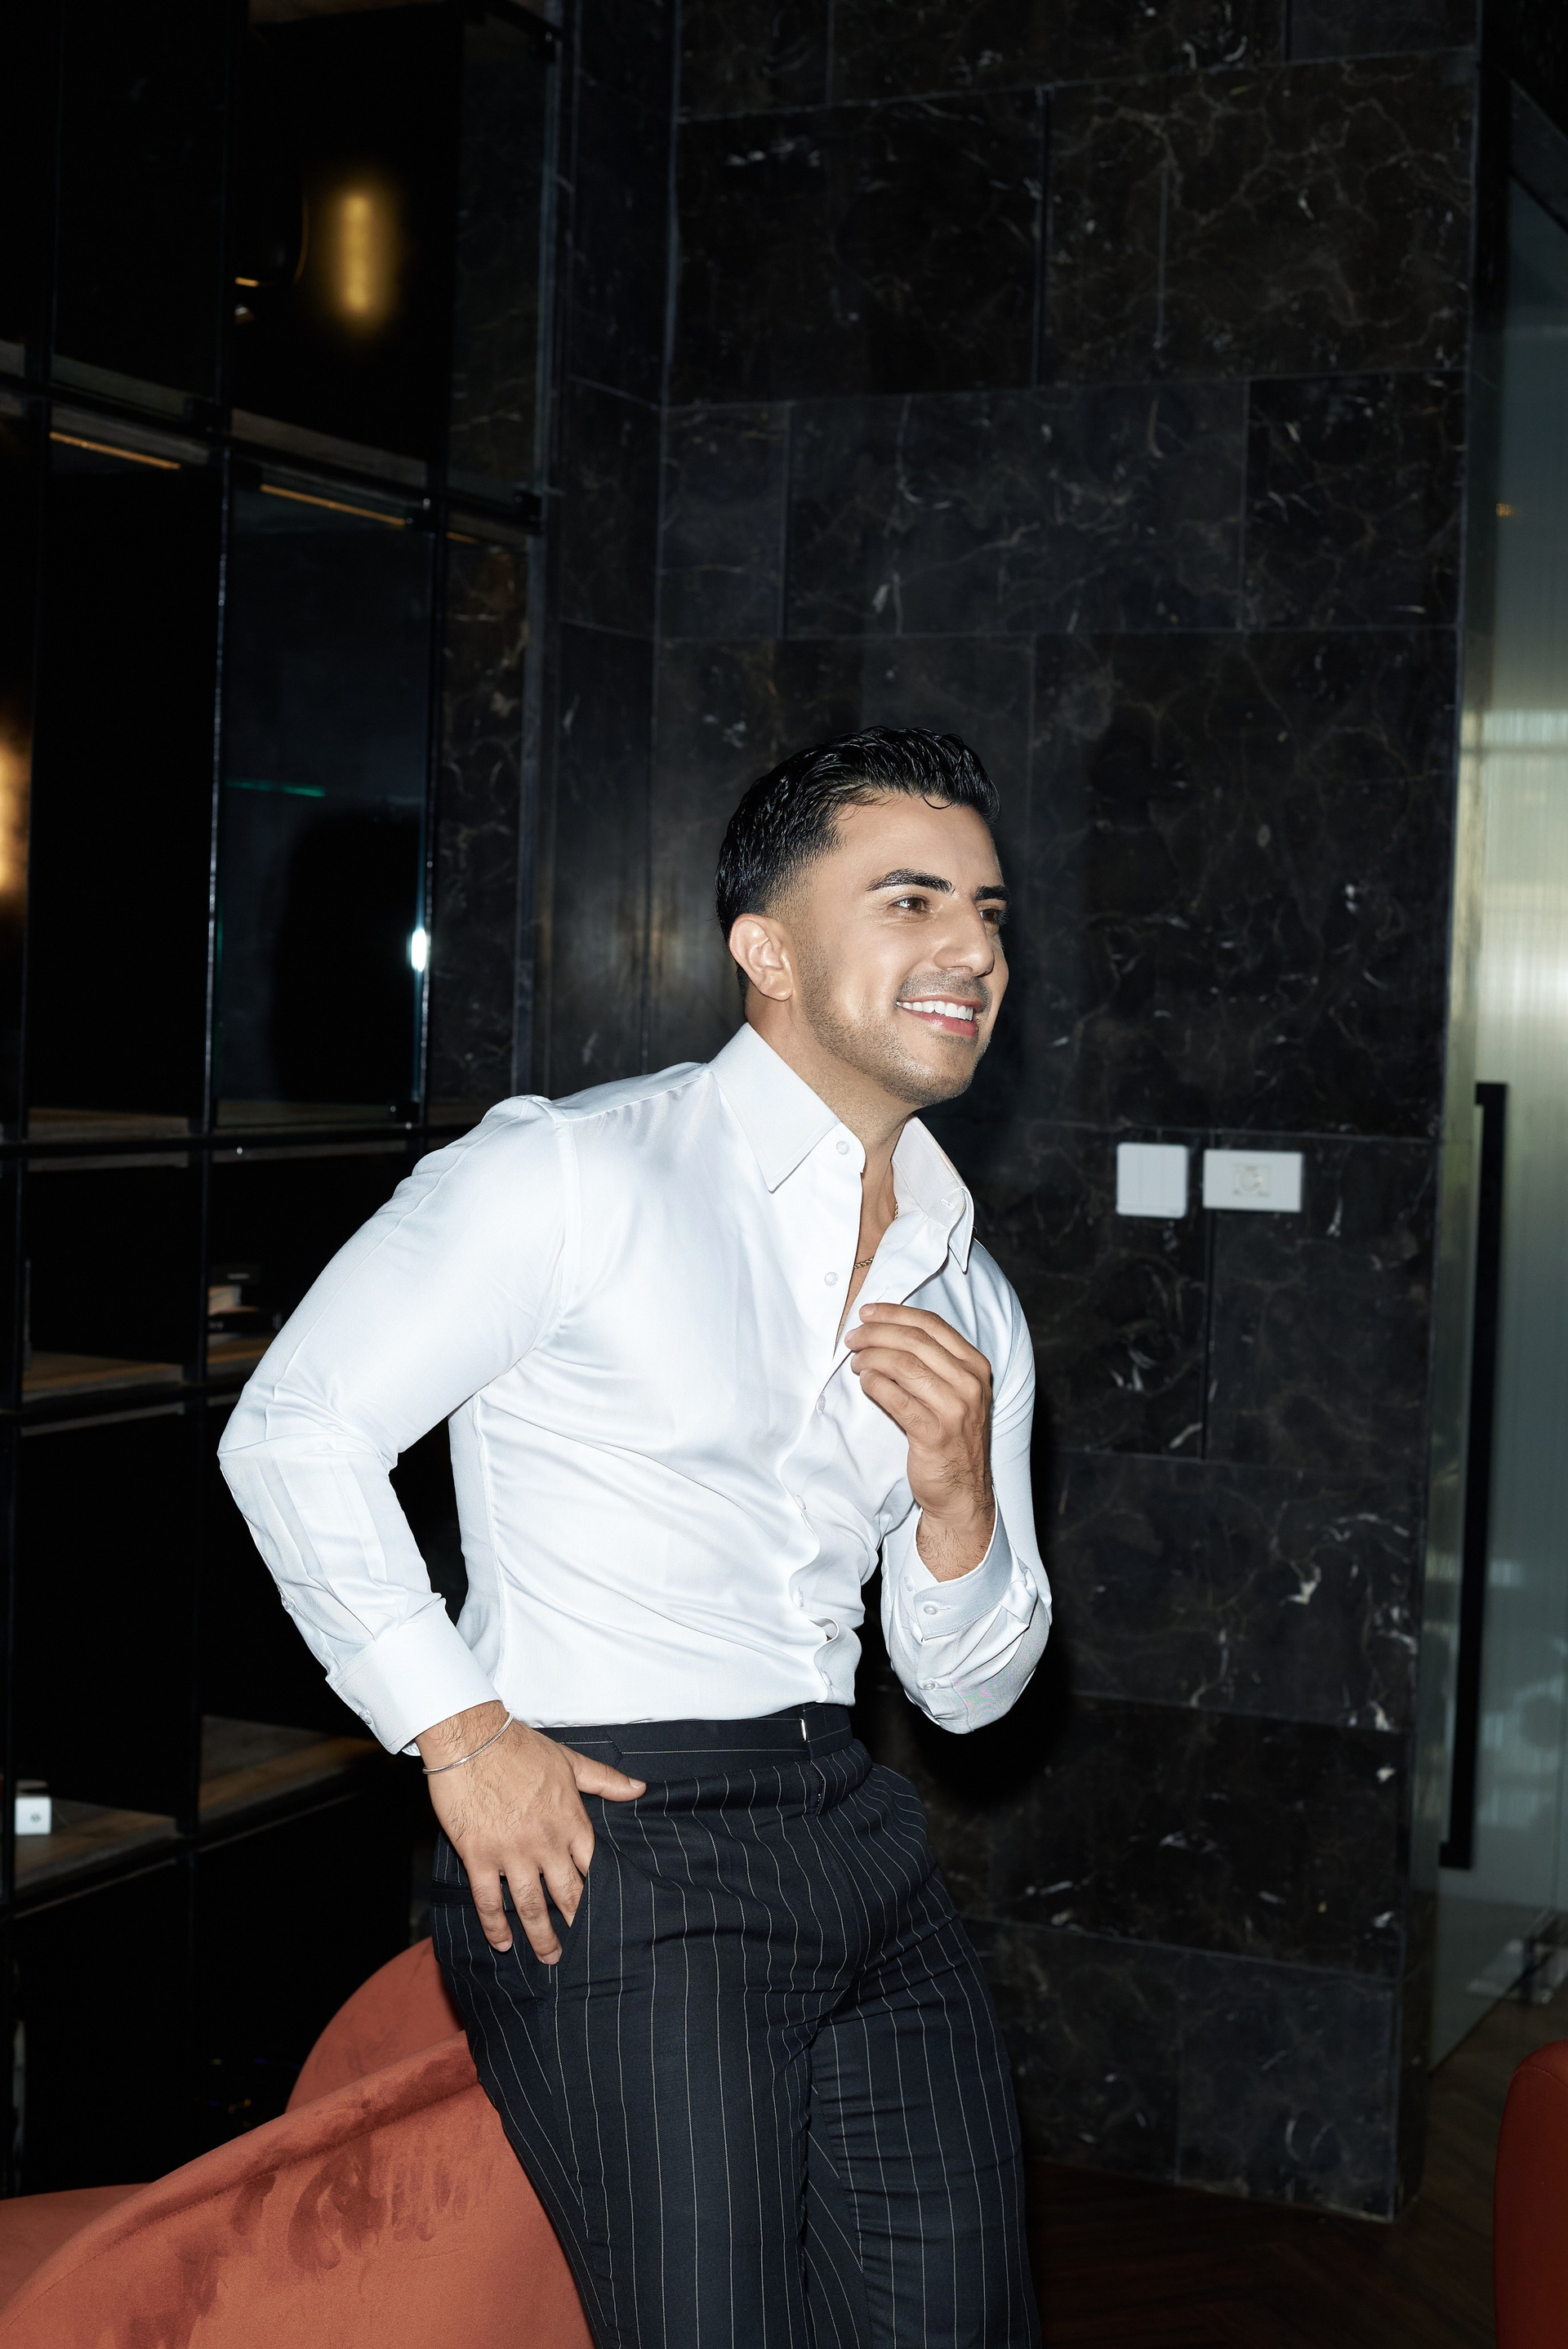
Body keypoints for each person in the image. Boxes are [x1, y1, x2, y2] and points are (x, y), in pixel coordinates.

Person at [220, 726, 1049, 2348]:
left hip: (854, 1825)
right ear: (767, 952)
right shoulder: (572, 1171)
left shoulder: (971, 1288)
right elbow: (295, 1427)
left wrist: (959, 1499)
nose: (972, 946)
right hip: (620, 1843)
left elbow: (969, 1695)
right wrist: (460, 1733)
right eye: (911, 899)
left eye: (990, 910)